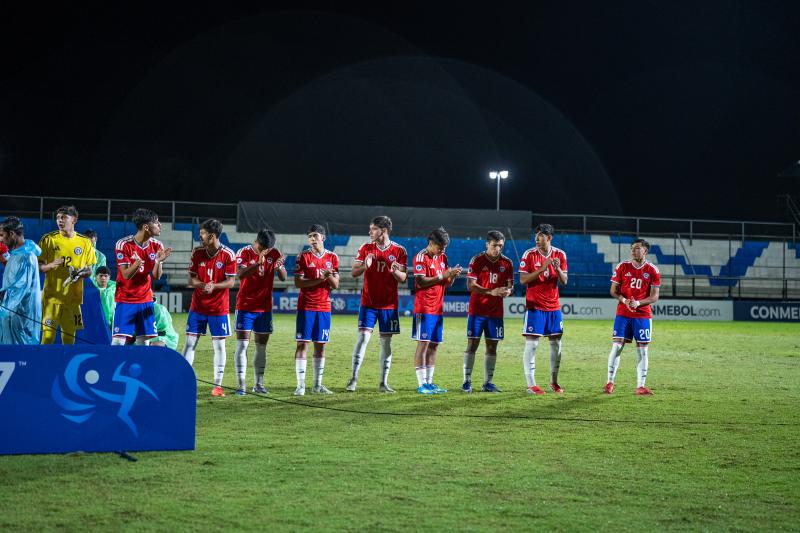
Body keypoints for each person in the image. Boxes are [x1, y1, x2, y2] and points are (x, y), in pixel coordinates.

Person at [346, 216, 408, 393]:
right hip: (369, 303)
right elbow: (353, 272)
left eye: (373, 229)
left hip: (389, 305)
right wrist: (366, 266)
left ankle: (383, 383)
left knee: (386, 343)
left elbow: (404, 278)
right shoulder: (366, 248)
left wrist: (395, 272)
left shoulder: (399, 250)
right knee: (363, 338)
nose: (370, 232)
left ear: (384, 230)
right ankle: (353, 379)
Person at [181, 219, 236, 397]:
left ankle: (217, 386)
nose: (200, 236)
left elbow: (231, 281)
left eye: (203, 233)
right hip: (197, 307)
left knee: (219, 346)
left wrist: (215, 286)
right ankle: (181, 380)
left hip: (219, 309)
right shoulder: (197, 252)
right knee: (189, 343)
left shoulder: (228, 254)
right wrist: (202, 284)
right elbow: (192, 279)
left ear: (212, 236)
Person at [233, 228, 287, 394]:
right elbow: (239, 275)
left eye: (269, 249)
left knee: (261, 346)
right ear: (257, 242)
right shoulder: (244, 253)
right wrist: (258, 262)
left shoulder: (274, 253)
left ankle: (259, 384)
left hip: (265, 308)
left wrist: (279, 268)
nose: (266, 251)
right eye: (263, 248)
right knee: (242, 345)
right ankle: (241, 385)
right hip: (245, 306)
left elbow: (284, 277)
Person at [605, 238, 661, 396]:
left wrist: (639, 303)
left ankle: (640, 386)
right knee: (617, 346)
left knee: (643, 351)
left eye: (637, 248)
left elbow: (654, 296)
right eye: (632, 248)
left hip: (643, 316)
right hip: (623, 314)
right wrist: (624, 300)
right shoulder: (622, 266)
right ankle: (609, 382)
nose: (633, 251)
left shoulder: (652, 270)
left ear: (645, 250)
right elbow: (613, 291)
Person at [518, 223, 568, 395]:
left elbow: (565, 281)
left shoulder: (560, 254)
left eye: (540, 236)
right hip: (535, 307)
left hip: (554, 307)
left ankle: (554, 382)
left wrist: (557, 268)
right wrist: (543, 268)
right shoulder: (529, 255)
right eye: (536, 236)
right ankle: (531, 384)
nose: (537, 239)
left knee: (556, 345)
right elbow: (523, 280)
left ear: (549, 238)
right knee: (532, 345)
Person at [462, 230, 514, 393]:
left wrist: (508, 292)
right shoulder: (477, 260)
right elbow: (470, 285)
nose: (497, 249)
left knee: (492, 348)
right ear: (487, 244)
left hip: (495, 313)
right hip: (477, 311)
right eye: (494, 245)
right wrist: (490, 291)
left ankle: (488, 383)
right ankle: (466, 381)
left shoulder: (507, 263)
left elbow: (510, 286)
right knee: (472, 345)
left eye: (500, 246)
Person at [112, 208, 172, 346]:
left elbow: (156, 276)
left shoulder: (157, 245)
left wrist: (158, 262)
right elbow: (126, 275)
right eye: (156, 223)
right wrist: (137, 263)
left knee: (143, 343)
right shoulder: (123, 244)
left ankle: (139, 368)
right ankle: (114, 367)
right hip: (125, 299)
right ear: (146, 227)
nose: (160, 226)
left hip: (145, 300)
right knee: (117, 342)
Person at [412, 227, 461, 394]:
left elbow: (446, 284)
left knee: (434, 346)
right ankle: (421, 384)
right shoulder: (420, 257)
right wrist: (443, 275)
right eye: (441, 247)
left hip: (438, 308)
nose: (443, 250)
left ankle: (430, 382)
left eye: (445, 247)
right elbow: (420, 282)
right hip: (424, 308)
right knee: (423, 345)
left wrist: (452, 276)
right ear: (431, 243)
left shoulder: (443, 258)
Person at [38, 205, 96, 344]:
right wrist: (51, 265)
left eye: (64, 217)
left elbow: (89, 270)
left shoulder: (85, 242)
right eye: (58, 218)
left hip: (73, 300)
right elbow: (38, 266)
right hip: (51, 298)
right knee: (47, 338)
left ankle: (64, 365)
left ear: (74, 220)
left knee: (69, 338)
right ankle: (43, 365)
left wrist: (81, 273)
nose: (60, 220)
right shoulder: (48, 239)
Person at [293, 224, 339, 396]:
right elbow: (298, 283)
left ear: (323, 238)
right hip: (306, 306)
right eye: (310, 236)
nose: (312, 239)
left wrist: (329, 276)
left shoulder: (333, 258)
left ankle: (317, 385)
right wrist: (320, 278)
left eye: (315, 236)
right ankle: (300, 385)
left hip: (324, 307)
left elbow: (336, 285)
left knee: (320, 346)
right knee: (302, 344)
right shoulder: (303, 257)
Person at [0, 217, 42, 344]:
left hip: (20, 321)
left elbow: (17, 289)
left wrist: (2, 309)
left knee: (21, 360)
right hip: (14, 318)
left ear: (12, 234)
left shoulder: (25, 257)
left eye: (2, 235)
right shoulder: (18, 253)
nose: (1, 240)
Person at [95, 265, 116, 331]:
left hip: (113, 321)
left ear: (109, 277)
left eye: (105, 276)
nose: (103, 278)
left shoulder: (115, 288)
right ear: (96, 277)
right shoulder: (91, 289)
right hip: (97, 321)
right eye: (101, 276)